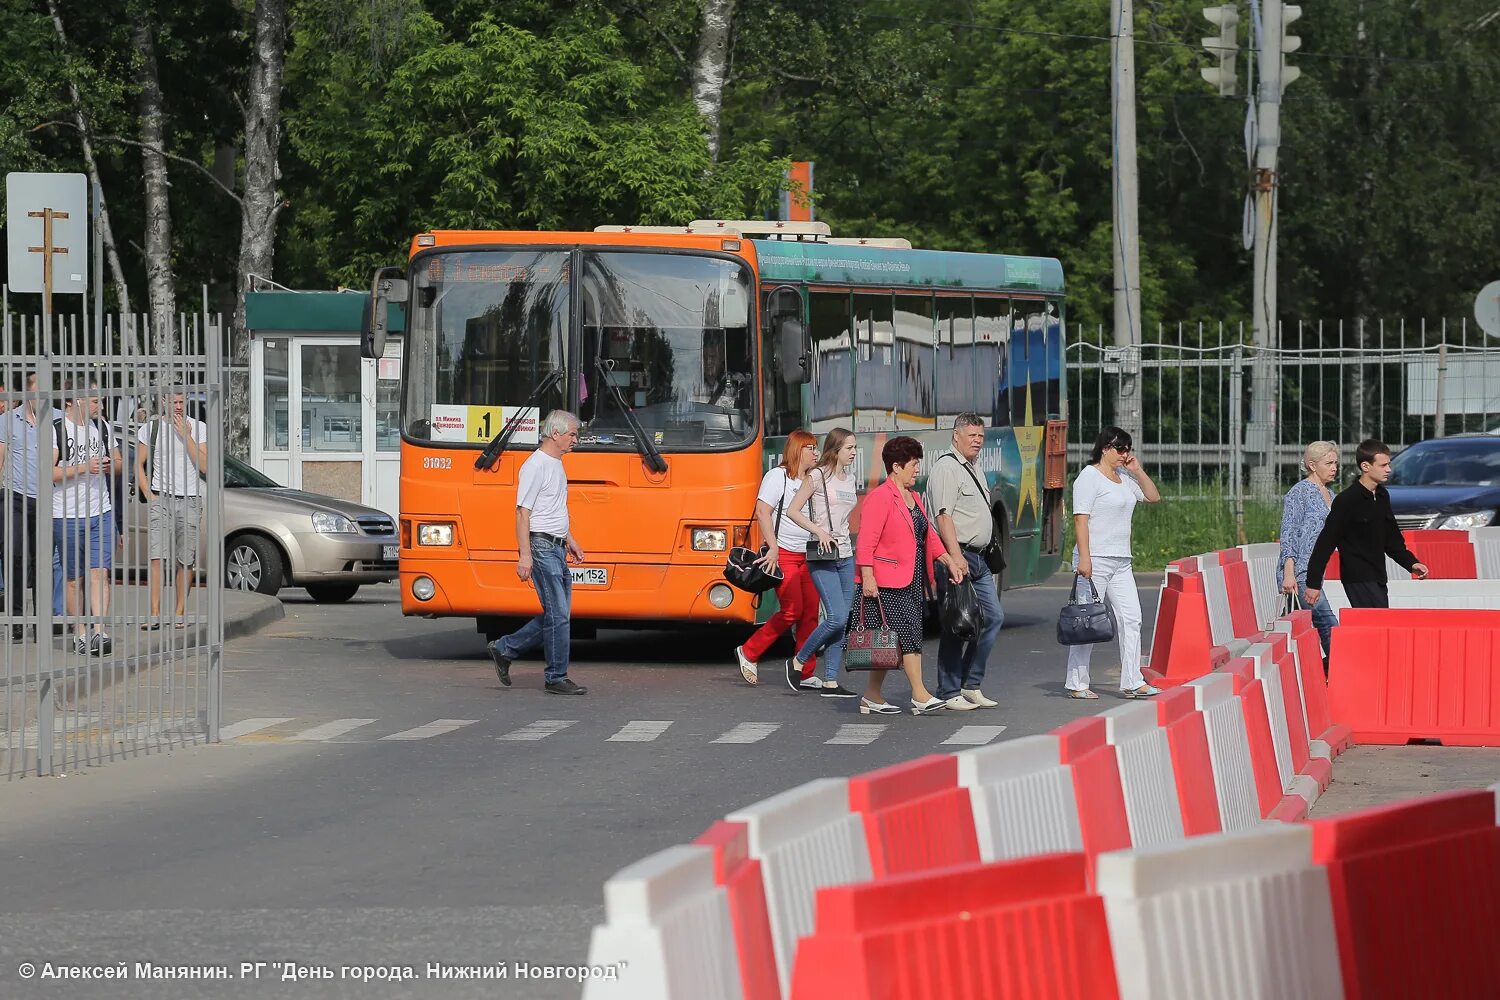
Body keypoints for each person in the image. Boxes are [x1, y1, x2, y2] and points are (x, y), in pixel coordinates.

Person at [851, 435, 967, 716]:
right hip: (885, 581)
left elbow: (928, 536)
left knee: (889, 640)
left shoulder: (914, 497)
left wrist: (949, 561)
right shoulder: (880, 498)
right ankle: (919, 694)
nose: (917, 469)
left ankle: (872, 695)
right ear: (896, 466)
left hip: (913, 577)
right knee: (909, 634)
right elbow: (866, 542)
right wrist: (867, 577)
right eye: (913, 464)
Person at [487, 410, 589, 695]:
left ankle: (505, 648)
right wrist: (525, 556)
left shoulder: (556, 464)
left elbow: (553, 509)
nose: (576, 440)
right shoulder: (536, 465)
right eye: (572, 434)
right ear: (555, 434)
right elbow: (523, 512)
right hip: (542, 548)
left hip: (555, 545)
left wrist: (570, 539)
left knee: (558, 614)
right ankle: (556, 677)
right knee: (559, 615)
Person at [1065, 426, 1163, 700]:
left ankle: (1133, 680)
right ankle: (1076, 683)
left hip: (1121, 560)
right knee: (1087, 621)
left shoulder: (1123, 477)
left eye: (1128, 449)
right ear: (1105, 448)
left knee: (1132, 618)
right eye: (1120, 449)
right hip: (1094, 559)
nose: (1125, 454)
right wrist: (1084, 558)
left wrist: (1137, 471)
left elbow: (1153, 497)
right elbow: (1080, 519)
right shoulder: (1089, 477)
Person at [929, 412, 1005, 711]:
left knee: (992, 617)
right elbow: (943, 515)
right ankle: (949, 691)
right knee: (956, 623)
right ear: (955, 436)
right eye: (971, 435)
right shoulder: (947, 468)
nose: (977, 441)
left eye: (981, 436)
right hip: (956, 556)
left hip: (978, 557)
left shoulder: (974, 468)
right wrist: (955, 556)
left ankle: (971, 683)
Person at [734, 430, 820, 688]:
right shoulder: (778, 476)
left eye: (816, 448)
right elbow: (763, 511)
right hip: (784, 552)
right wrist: (772, 547)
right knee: (792, 610)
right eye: (810, 448)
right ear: (797, 450)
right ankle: (749, 651)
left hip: (810, 553)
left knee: (810, 613)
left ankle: (804, 671)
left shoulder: (813, 479)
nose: (816, 453)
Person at [1305, 438, 1429, 610]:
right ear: (1365, 466)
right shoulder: (1347, 500)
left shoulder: (1382, 496)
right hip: (1358, 578)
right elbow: (1325, 543)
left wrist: (1411, 563)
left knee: (1378, 627)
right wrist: (1313, 583)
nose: (1389, 470)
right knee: (1376, 625)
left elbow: (1392, 541)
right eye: (1383, 465)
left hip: (1378, 577)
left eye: (1389, 464)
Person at [785, 427, 859, 698]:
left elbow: (845, 517)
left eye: (854, 448)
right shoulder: (817, 476)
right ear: (836, 449)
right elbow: (792, 510)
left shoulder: (849, 480)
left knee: (842, 620)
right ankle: (798, 660)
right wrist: (819, 531)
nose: (853, 452)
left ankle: (830, 680)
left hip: (845, 555)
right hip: (822, 555)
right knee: (836, 616)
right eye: (849, 448)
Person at [52, 379, 122, 655]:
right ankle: (79, 632)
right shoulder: (57, 430)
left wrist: (109, 466)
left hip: (100, 510)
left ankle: (99, 631)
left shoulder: (102, 428)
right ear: (73, 401)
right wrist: (83, 467)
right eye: (94, 400)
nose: (100, 405)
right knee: (73, 578)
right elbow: (49, 473)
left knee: (100, 573)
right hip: (66, 513)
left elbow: (118, 462)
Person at [1, 371, 65, 642]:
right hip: (14, 497)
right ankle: (16, 619)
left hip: (48, 499)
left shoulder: (59, 419)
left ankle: (42, 621)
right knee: (14, 557)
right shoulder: (6, 421)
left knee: (44, 561)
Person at [136, 388, 208, 629]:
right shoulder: (151, 428)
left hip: (190, 499)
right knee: (157, 557)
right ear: (163, 402)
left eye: (181, 401)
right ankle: (154, 614)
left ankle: (179, 611)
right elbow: (138, 463)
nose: (178, 405)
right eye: (173, 401)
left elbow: (206, 466)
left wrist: (187, 437)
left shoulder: (198, 427)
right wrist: (149, 493)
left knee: (185, 559)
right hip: (161, 498)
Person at [1279, 441, 1341, 655]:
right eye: (1329, 463)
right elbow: (1289, 531)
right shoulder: (1300, 492)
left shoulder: (1330, 495)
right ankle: (1339, 671)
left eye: (1336, 463)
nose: (1334, 467)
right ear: (1313, 465)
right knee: (1328, 623)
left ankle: (1329, 671)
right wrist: (1289, 572)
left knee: (1319, 625)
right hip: (1301, 572)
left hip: (1316, 572)